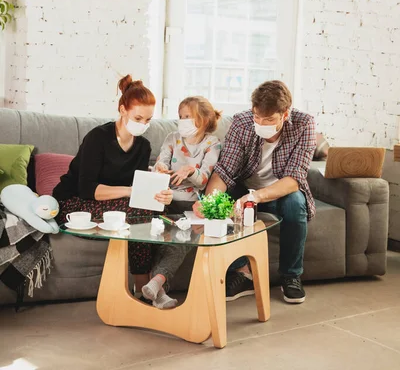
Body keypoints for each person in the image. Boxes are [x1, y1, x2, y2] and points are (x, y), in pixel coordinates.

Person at [193, 80, 316, 304]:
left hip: (279, 191)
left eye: (269, 120)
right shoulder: (242, 123)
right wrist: (210, 202)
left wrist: (256, 197)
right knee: (220, 202)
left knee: (295, 203)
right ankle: (243, 272)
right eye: (257, 117)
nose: (261, 123)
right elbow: (224, 171)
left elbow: (294, 179)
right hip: (243, 186)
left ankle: (291, 276)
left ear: (285, 114)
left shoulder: (304, 124)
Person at [53, 75, 172, 295]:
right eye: (138, 118)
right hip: (73, 203)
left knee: (158, 211)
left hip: (116, 203)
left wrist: (158, 189)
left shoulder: (143, 146)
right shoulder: (97, 138)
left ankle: (146, 288)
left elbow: (136, 186)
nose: (143, 125)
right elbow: (88, 189)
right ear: (122, 109)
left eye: (148, 120)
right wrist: (131, 191)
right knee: (140, 215)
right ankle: (144, 287)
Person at [141, 96, 222, 309]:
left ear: (203, 120)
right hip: (164, 198)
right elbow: (161, 162)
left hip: (190, 204)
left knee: (181, 239)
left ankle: (157, 285)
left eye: (188, 116)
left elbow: (204, 178)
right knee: (159, 235)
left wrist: (190, 170)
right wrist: (159, 168)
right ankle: (158, 288)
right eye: (181, 116)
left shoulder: (211, 143)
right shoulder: (172, 138)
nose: (183, 121)